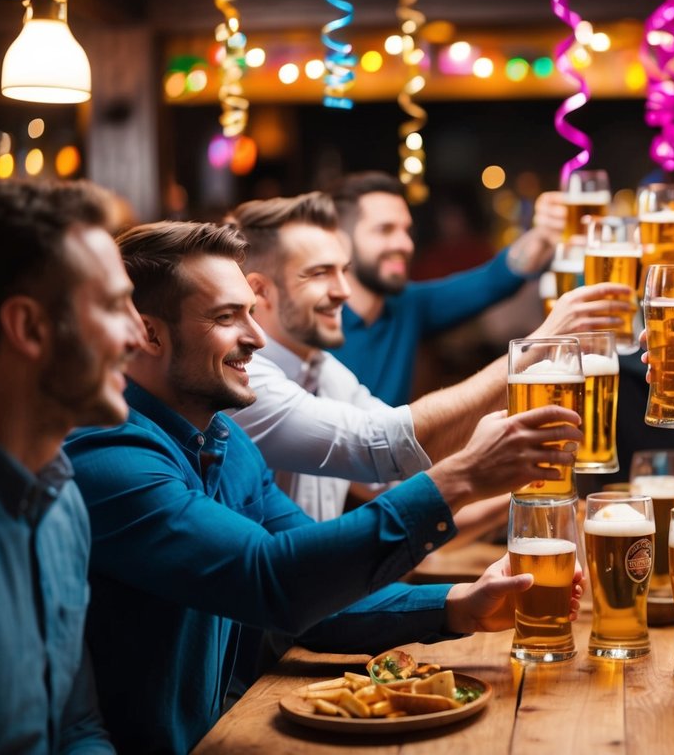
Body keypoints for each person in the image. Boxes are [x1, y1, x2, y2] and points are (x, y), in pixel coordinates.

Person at [65, 221, 584, 754]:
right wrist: (461, 477)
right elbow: (272, 581)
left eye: (250, 311)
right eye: (226, 317)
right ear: (148, 334)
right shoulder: (109, 454)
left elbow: (312, 589)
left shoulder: (223, 438)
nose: (257, 337)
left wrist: (458, 606)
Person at [226, 192, 631, 521]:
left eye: (342, 271)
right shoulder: (243, 379)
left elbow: (402, 479)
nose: (343, 291)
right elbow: (377, 445)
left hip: (315, 608)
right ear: (259, 291)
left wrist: (540, 493)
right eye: (319, 273)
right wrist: (539, 345)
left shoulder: (322, 367)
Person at [0, 180, 143, 754]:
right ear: (30, 328)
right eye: (113, 306)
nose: (139, 334)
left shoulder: (62, 499)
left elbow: (77, 727)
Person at [330, 171, 563, 406]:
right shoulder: (309, 324)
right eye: (385, 230)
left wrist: (543, 236)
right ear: (339, 241)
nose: (405, 244)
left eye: (407, 231)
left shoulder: (409, 305)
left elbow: (495, 279)